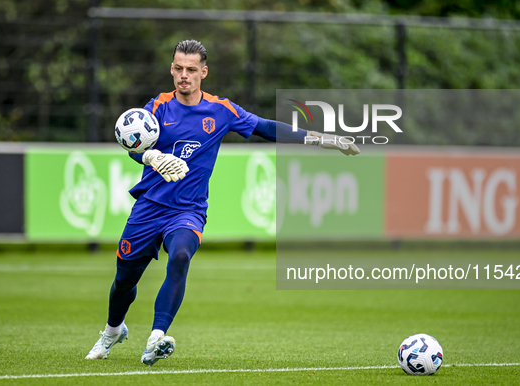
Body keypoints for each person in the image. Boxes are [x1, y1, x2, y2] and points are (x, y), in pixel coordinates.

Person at [85, 39, 360, 366]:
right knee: (124, 280)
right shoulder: (157, 107)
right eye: (177, 68)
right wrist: (151, 156)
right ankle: (113, 330)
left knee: (182, 255)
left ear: (204, 72)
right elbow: (132, 141)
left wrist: (322, 139)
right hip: (149, 208)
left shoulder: (222, 111)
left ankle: (156, 337)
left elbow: (267, 128)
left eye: (190, 69)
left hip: (187, 211)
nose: (183, 75)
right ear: (171, 69)